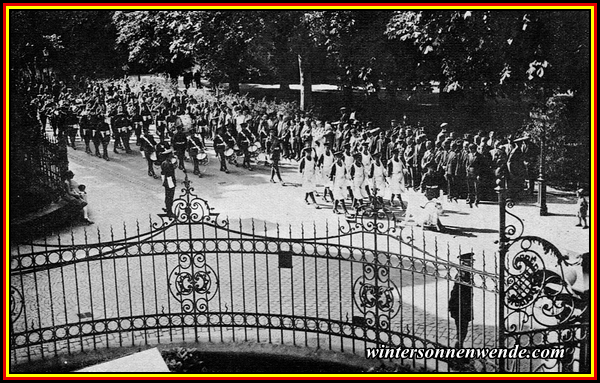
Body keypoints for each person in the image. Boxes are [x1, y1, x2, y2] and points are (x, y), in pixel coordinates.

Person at [448, 253, 474, 349]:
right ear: (464, 263)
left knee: (461, 329)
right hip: (462, 308)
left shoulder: (463, 273)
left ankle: (459, 346)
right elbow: (456, 292)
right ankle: (458, 348)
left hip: (460, 307)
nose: (471, 264)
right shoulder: (464, 275)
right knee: (462, 329)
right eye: (469, 262)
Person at [160, 152, 178, 217]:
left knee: (167, 196)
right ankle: (169, 211)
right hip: (170, 181)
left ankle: (168, 209)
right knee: (170, 197)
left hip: (166, 181)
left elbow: (162, 173)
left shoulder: (163, 163)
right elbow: (171, 171)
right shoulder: (169, 164)